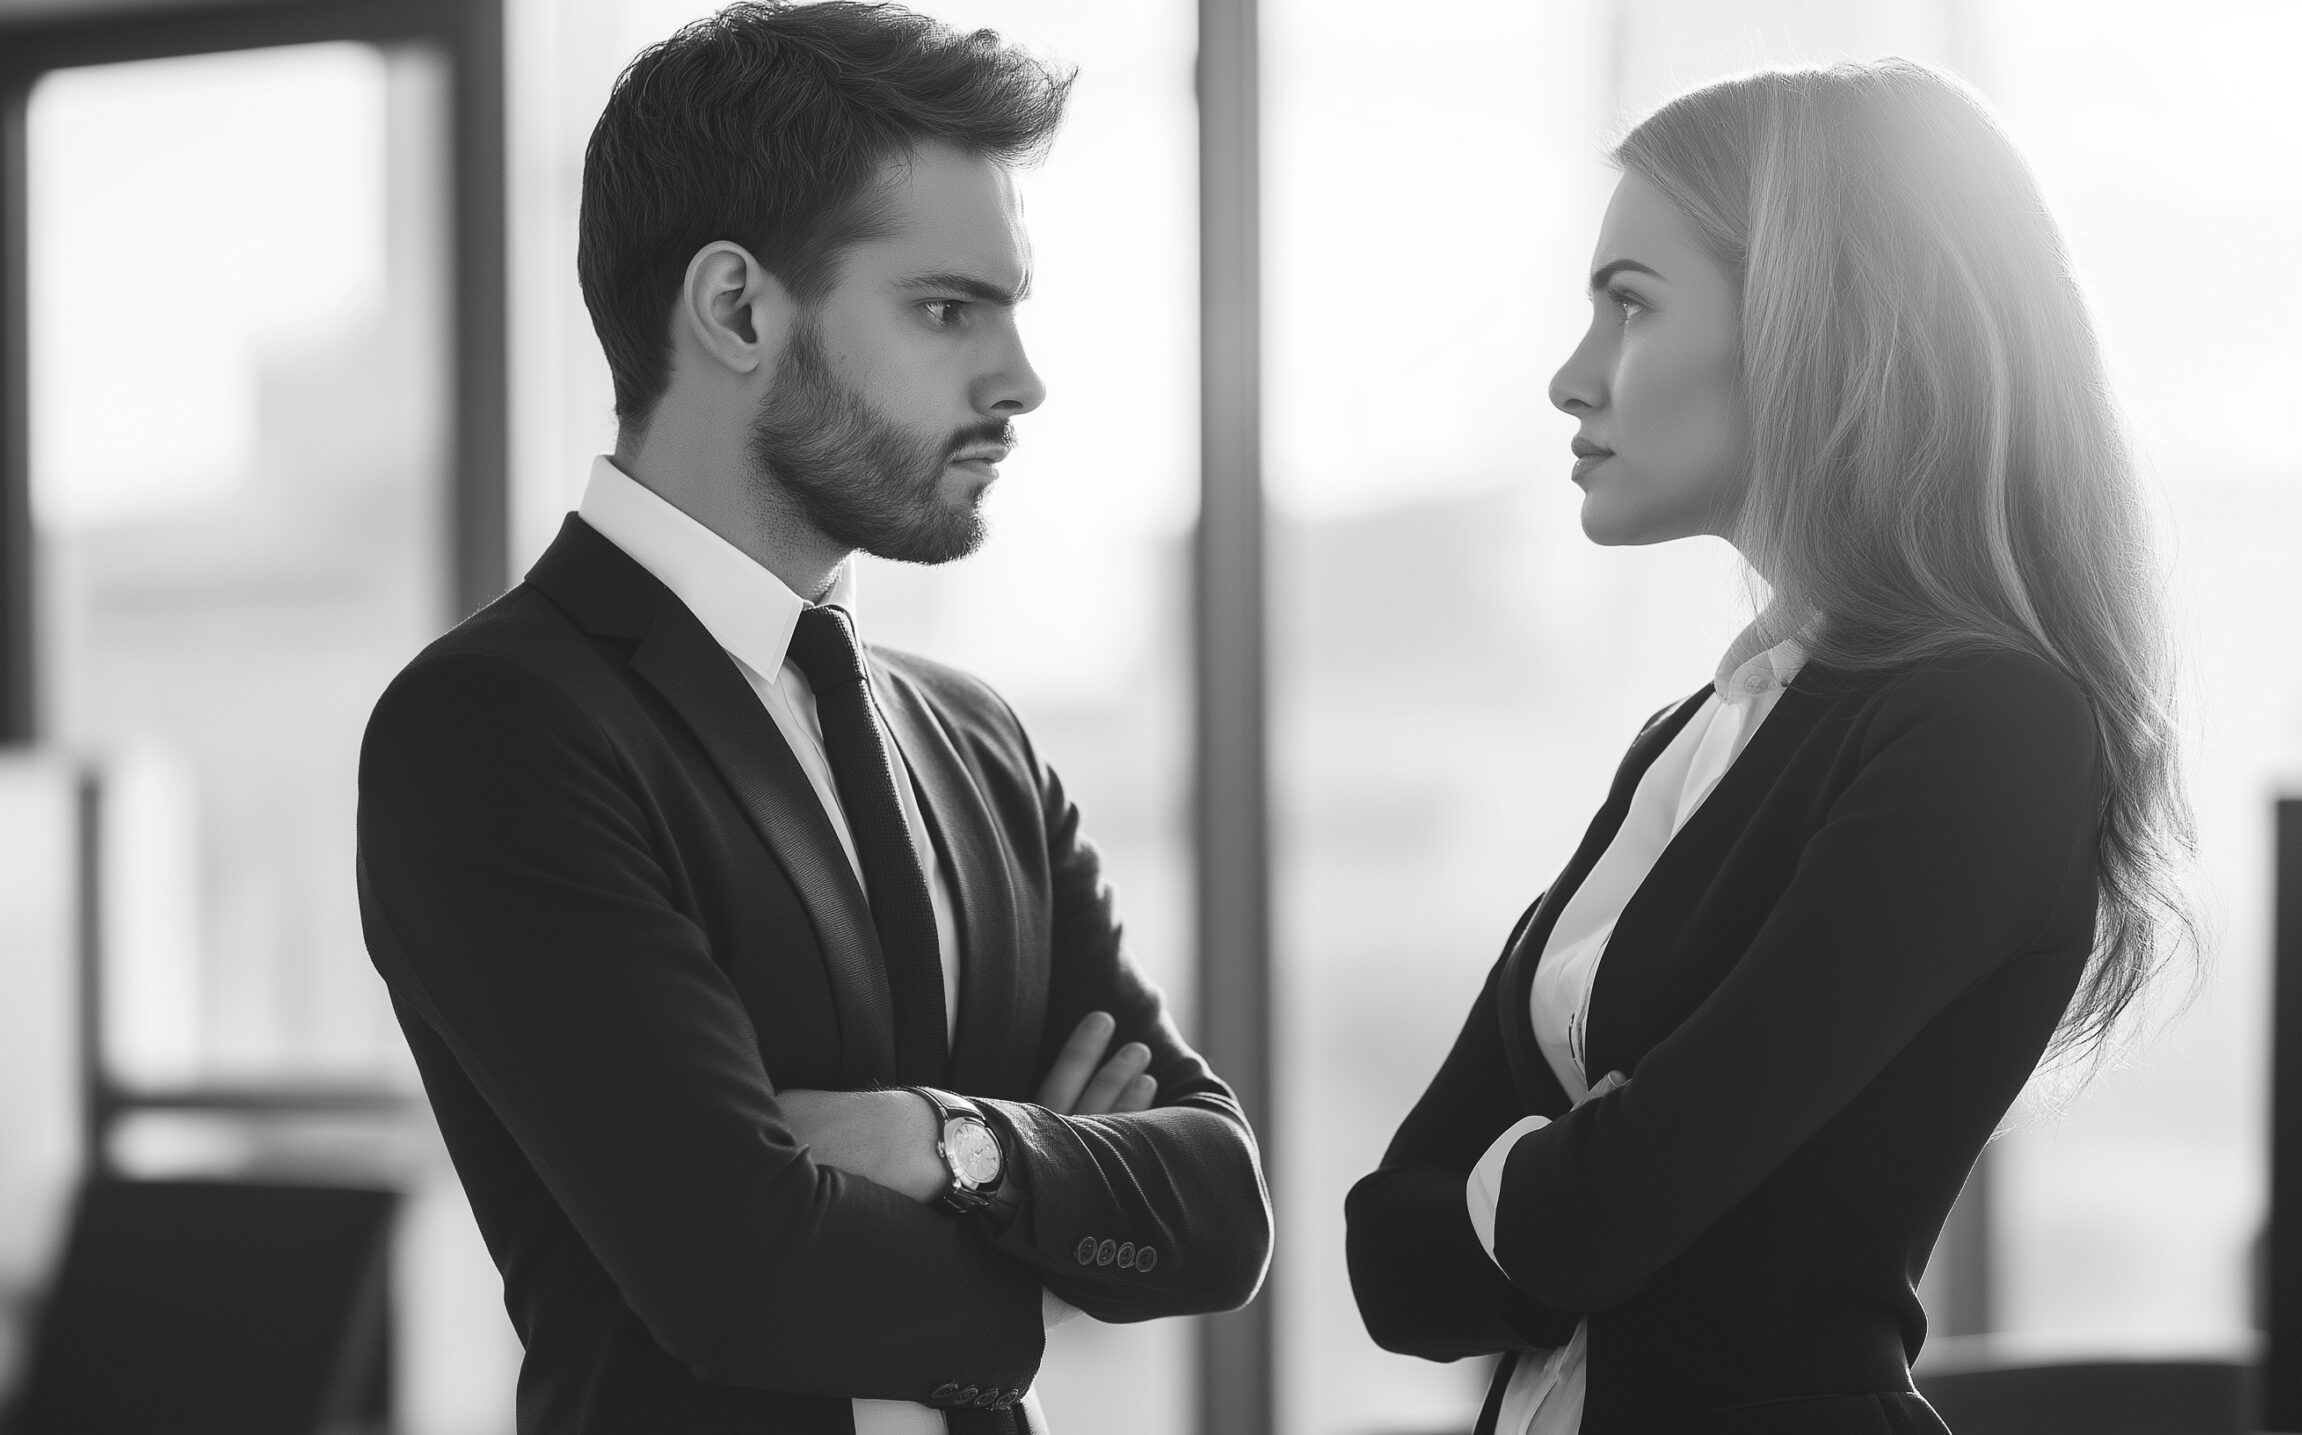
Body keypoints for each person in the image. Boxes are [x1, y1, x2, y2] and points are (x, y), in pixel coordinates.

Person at [356, 6, 1269, 1432]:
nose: (1021, 380)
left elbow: (1220, 1211)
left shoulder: (978, 741)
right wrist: (1056, 1207)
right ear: (736, 310)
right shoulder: (497, 726)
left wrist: (947, 1146)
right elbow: (747, 1282)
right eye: (947, 309)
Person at [1343, 59, 2194, 1435]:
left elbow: (1597, 1221)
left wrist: (1533, 1187)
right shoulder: (1692, 739)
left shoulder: (1988, 729)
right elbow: (1389, 1256)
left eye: (1630, 305)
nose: (1573, 379)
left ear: (1821, 326)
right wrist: (1568, 1176)